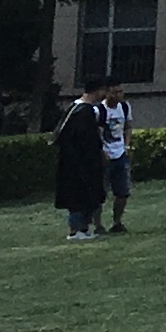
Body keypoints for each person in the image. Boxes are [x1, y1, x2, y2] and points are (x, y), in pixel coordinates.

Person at [51, 88, 109, 242]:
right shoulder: (84, 112)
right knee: (80, 195)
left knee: (82, 195)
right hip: (80, 163)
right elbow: (87, 141)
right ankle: (76, 230)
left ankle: (83, 229)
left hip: (73, 161)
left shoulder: (75, 107)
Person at [95, 88, 132, 235]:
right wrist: (101, 150)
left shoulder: (124, 107)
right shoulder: (99, 110)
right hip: (105, 155)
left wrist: (126, 145)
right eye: (114, 92)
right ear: (106, 92)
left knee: (122, 192)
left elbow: (128, 127)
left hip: (120, 154)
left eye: (120, 92)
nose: (118, 95)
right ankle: (98, 225)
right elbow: (95, 132)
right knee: (100, 192)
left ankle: (117, 222)